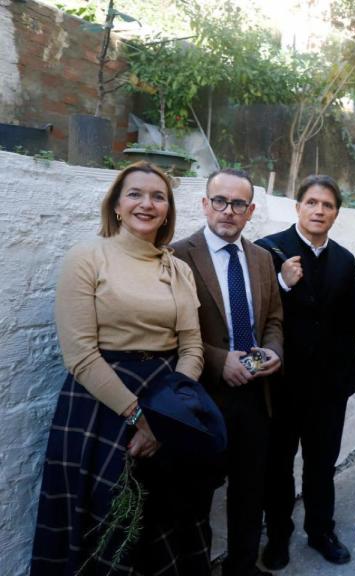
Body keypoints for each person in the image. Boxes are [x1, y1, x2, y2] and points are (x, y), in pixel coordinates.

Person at [32, 162, 209, 575]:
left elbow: (192, 347)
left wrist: (168, 416)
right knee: (107, 528)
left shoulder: (177, 268)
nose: (147, 204)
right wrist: (138, 415)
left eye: (158, 196)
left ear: (168, 209)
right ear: (115, 205)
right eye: (135, 194)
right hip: (101, 409)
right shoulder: (86, 258)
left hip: (168, 400)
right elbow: (80, 355)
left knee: (164, 524)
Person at [170, 169, 283, 576]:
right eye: (220, 200)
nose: (228, 211)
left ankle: (241, 567)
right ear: (205, 204)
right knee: (197, 494)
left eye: (238, 204)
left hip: (256, 394)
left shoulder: (261, 258)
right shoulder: (178, 255)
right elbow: (172, 330)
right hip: (204, 394)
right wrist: (221, 360)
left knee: (250, 489)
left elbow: (273, 317)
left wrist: (272, 350)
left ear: (250, 210)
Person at [257, 175, 355, 569]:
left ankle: (321, 531)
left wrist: (346, 373)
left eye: (328, 205)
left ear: (336, 212)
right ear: (297, 206)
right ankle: (279, 535)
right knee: (278, 465)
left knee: (322, 465)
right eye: (312, 203)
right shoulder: (268, 252)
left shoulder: (345, 259)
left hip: (329, 387)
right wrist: (283, 284)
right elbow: (257, 315)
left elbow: (349, 322)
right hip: (282, 384)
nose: (320, 210)